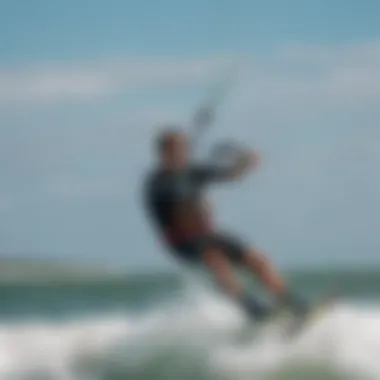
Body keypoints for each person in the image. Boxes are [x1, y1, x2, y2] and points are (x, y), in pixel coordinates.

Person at [142, 127, 307, 320]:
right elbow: (178, 200)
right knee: (215, 259)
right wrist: (181, 180)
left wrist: (246, 162)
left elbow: (230, 174)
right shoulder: (156, 182)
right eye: (176, 149)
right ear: (164, 153)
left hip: (207, 234)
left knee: (257, 258)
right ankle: (252, 309)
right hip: (181, 241)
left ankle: (290, 302)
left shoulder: (192, 172)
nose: (183, 153)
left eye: (184, 148)